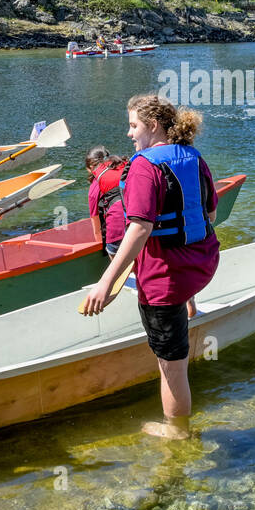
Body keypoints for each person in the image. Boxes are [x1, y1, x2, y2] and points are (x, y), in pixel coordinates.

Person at [81, 95, 220, 440]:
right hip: (203, 264)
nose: (129, 134)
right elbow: (211, 214)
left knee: (172, 366)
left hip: (165, 280)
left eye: (133, 125)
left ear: (153, 126)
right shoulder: (194, 156)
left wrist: (105, 283)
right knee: (175, 336)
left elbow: (140, 229)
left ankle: (177, 433)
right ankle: (190, 310)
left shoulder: (144, 166)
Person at [85, 145, 127, 257]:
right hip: (141, 223)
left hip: (118, 232)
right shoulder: (123, 166)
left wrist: (100, 244)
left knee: (120, 272)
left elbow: (96, 221)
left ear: (90, 167)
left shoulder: (95, 187)